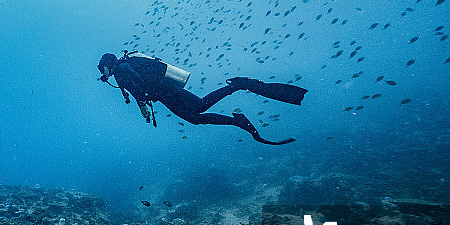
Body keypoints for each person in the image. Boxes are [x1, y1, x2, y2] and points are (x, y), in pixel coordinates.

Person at [97, 51, 307, 145]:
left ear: (108, 64)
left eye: (101, 67)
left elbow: (137, 83)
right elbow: (136, 88)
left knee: (200, 107)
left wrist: (142, 103)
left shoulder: (122, 69)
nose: (102, 72)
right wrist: (142, 105)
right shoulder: (122, 70)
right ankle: (238, 120)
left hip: (166, 91)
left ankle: (238, 86)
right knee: (196, 117)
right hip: (164, 93)